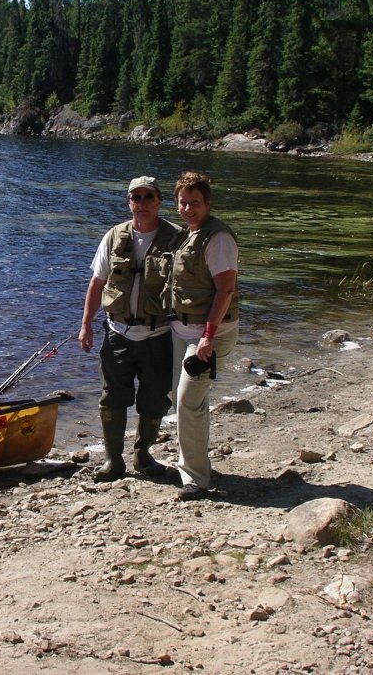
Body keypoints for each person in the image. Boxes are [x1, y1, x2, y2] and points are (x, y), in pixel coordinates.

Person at [78, 176, 181, 482]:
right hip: (117, 333)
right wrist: (86, 325)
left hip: (159, 336)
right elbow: (97, 282)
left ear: (159, 201)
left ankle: (143, 455)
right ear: (129, 203)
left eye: (148, 197)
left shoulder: (176, 238)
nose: (142, 203)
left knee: (154, 399)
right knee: (112, 397)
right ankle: (113, 460)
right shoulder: (114, 236)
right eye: (136, 198)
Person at [167, 171, 239, 501]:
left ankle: (195, 478)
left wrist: (208, 336)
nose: (188, 208)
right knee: (188, 400)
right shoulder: (188, 234)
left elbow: (226, 289)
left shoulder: (218, 238)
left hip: (208, 335)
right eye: (183, 202)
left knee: (188, 400)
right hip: (182, 331)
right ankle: (198, 463)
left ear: (207, 203)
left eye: (195, 202)